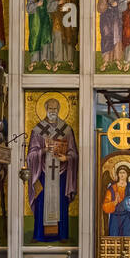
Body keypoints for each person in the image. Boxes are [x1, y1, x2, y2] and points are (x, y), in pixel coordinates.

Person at [27, 97, 79, 241]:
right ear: (45, 110)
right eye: (50, 108)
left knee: (61, 203)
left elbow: (74, 153)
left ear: (59, 110)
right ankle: (39, 235)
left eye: (55, 109)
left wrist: (67, 158)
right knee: (41, 201)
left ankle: (62, 235)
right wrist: (43, 150)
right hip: (43, 173)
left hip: (61, 173)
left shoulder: (67, 130)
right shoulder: (38, 130)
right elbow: (31, 155)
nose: (53, 111)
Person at [97, 0, 127, 70]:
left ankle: (117, 60)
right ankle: (106, 61)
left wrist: (117, 4)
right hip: (105, 18)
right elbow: (99, 8)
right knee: (106, 36)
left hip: (116, 18)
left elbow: (124, 5)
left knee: (117, 37)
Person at [101, 163, 130, 236]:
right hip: (115, 218)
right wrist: (114, 202)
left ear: (128, 174)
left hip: (128, 217)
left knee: (129, 237)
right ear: (117, 174)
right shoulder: (112, 189)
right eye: (120, 172)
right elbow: (105, 206)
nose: (122, 175)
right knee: (114, 237)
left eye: (124, 172)